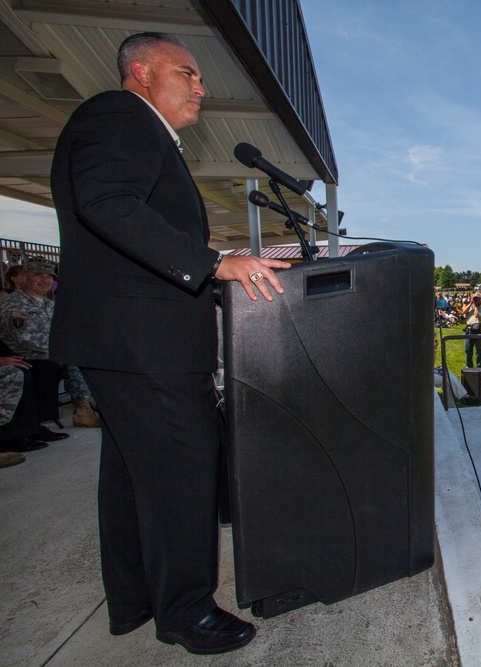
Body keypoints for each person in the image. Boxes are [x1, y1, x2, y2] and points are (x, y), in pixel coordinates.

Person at [48, 32, 290, 655]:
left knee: (132, 475)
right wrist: (215, 264)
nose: (201, 87)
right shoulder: (120, 115)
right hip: (142, 341)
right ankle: (185, 612)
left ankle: (134, 601)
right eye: (188, 73)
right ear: (141, 72)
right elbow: (108, 205)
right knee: (181, 473)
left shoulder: (134, 128)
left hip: (126, 338)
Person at [0, 256, 101, 427]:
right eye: (38, 275)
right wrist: (66, 347)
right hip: (24, 356)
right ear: (24, 277)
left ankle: (87, 406)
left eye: (50, 276)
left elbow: (65, 331)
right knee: (73, 359)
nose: (45, 280)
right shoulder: (14, 305)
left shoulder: (49, 305)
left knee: (87, 355)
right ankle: (82, 409)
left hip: (49, 353)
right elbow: (25, 340)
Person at [460, 294, 481, 369]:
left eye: (477, 298)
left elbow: (476, 315)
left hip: (478, 330)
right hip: (469, 329)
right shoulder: (469, 306)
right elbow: (463, 312)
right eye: (474, 298)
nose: (476, 300)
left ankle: (479, 366)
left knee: (479, 350)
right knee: (468, 350)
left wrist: (476, 306)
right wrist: (470, 303)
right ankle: (469, 366)